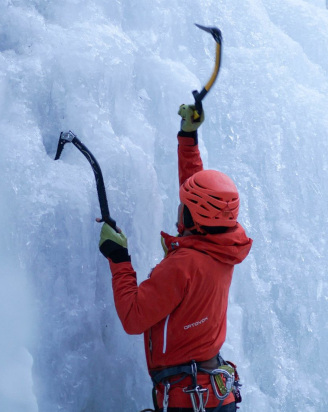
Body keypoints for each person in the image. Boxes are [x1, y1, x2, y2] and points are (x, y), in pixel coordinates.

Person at [98, 103, 253, 412]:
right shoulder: (222, 246)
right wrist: (188, 139)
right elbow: (196, 190)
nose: (178, 207)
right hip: (214, 398)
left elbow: (134, 317)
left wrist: (119, 259)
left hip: (187, 402)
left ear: (193, 217)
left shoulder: (183, 266)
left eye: (184, 205)